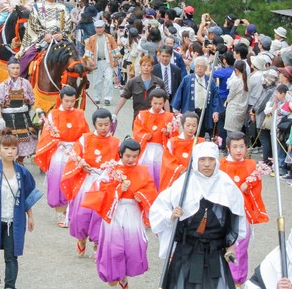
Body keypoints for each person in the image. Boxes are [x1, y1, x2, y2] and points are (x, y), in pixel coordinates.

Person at [150, 141, 247, 289]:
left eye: (211, 160)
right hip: (187, 249)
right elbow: (158, 209)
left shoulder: (226, 185)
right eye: (202, 160)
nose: (207, 164)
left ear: (216, 161)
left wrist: (230, 245)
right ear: (196, 161)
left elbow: (236, 217)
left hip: (215, 250)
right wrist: (171, 215)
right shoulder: (183, 184)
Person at [81, 138, 158, 288]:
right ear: (120, 154)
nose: (131, 159)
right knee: (114, 247)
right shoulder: (111, 170)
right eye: (127, 156)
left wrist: (141, 195)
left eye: (135, 156)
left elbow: (151, 189)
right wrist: (117, 190)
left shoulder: (143, 170)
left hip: (133, 210)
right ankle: (115, 274)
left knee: (132, 245)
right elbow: (99, 189)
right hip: (114, 211)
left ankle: (124, 274)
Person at [0, 128, 42, 289]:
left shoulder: (22, 172)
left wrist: (30, 216)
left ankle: (10, 286)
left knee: (11, 256)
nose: (10, 152)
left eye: (13, 148)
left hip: (15, 220)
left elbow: (27, 196)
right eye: (6, 148)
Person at [60, 108, 120, 257]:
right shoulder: (84, 139)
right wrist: (81, 166)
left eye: (106, 124)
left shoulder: (116, 143)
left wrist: (111, 172)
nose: (103, 128)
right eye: (100, 125)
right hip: (86, 180)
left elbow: (120, 164)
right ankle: (81, 238)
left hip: (104, 182)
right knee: (82, 213)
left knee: (99, 214)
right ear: (94, 124)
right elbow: (74, 158)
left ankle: (97, 244)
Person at [34, 85, 89, 227]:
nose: (70, 104)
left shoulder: (80, 113)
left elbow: (85, 134)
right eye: (67, 101)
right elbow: (47, 134)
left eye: (72, 101)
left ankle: (72, 211)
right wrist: (57, 142)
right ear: (61, 100)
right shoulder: (53, 114)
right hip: (59, 150)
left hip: (75, 150)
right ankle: (60, 212)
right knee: (58, 180)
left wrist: (79, 147)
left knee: (75, 180)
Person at [219, 131, 269, 285]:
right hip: (224, 211)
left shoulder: (252, 165)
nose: (239, 150)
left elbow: (256, 190)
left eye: (242, 146)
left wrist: (250, 185)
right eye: (235, 147)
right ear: (228, 148)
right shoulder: (221, 165)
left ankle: (238, 280)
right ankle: (222, 277)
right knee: (221, 246)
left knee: (241, 247)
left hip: (243, 212)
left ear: (247, 147)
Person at [17, 0, 73, 77]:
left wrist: (62, 34)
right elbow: (33, 23)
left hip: (60, 38)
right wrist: (44, 34)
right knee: (27, 56)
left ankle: (82, 84)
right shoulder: (37, 6)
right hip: (41, 39)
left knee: (75, 56)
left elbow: (69, 23)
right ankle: (21, 81)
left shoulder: (62, 7)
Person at [0, 57, 36, 162]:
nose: (15, 70)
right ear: (8, 69)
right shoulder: (3, 86)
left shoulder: (25, 83)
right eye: (13, 68)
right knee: (8, 142)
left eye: (17, 68)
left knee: (28, 140)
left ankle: (20, 160)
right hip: (8, 117)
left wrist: (37, 110)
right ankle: (9, 161)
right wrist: (0, 118)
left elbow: (33, 99)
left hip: (23, 117)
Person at [133, 88, 177, 189]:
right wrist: (144, 135)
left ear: (164, 103)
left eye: (160, 104)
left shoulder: (169, 117)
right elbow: (137, 130)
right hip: (146, 147)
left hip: (161, 148)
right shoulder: (142, 115)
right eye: (155, 103)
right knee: (145, 168)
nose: (157, 106)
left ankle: (158, 191)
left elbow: (175, 135)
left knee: (160, 170)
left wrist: (168, 133)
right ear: (150, 102)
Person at [172, 56, 221, 137]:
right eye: (197, 66)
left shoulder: (210, 80)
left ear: (205, 68)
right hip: (190, 110)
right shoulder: (187, 79)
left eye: (202, 66)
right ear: (194, 67)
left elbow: (215, 97)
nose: (199, 68)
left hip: (205, 111)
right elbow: (179, 93)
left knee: (201, 134)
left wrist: (215, 111)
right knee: (189, 132)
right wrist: (176, 109)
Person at [112, 55, 165, 125]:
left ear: (152, 68)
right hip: (138, 117)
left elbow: (165, 99)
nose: (146, 67)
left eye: (149, 65)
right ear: (140, 67)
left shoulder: (159, 82)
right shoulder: (133, 82)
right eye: (144, 65)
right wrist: (115, 114)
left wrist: (168, 116)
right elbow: (124, 97)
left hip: (155, 118)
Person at [160, 112, 204, 191]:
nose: (191, 128)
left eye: (194, 126)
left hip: (195, 178)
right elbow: (168, 161)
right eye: (188, 125)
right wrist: (180, 169)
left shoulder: (201, 142)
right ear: (183, 125)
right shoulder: (172, 142)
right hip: (177, 177)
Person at [84, 20, 118, 106]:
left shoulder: (110, 37)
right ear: (95, 29)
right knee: (97, 81)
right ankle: (97, 97)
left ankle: (108, 98)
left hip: (108, 61)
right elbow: (87, 52)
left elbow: (115, 50)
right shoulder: (91, 39)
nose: (99, 30)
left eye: (101, 28)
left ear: (104, 28)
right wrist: (90, 60)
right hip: (97, 62)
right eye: (97, 28)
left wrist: (116, 59)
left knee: (109, 80)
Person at [224, 60, 249, 134]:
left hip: (233, 109)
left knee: (230, 134)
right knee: (237, 133)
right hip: (242, 109)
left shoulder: (236, 81)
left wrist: (226, 101)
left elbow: (231, 95)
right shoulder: (248, 80)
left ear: (236, 70)